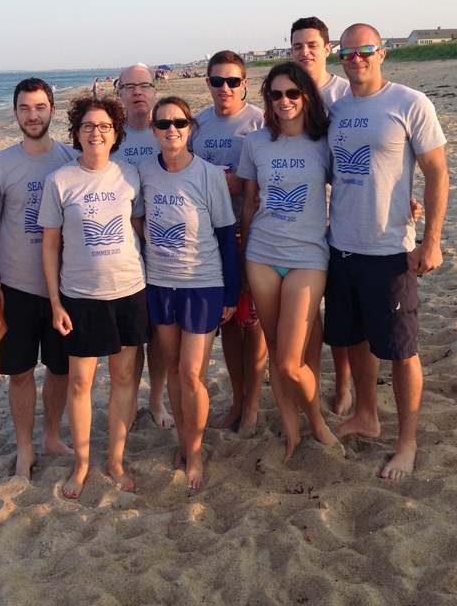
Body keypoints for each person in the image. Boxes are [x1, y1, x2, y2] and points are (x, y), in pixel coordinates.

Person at [325, 23, 449, 480]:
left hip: (390, 250)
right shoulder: (335, 109)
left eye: (365, 51)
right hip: (341, 246)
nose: (356, 59)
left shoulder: (409, 102)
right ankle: (367, 416)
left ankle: (407, 444)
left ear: (381, 54)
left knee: (400, 351)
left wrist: (431, 239)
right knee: (356, 338)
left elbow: (437, 172)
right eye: (348, 52)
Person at [40, 93, 147, 499]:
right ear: (77, 133)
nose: (96, 133)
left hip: (129, 290)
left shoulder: (130, 174)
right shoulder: (60, 181)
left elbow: (140, 229)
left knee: (123, 378)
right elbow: (50, 246)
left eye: (104, 126)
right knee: (81, 383)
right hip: (80, 297)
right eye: (88, 126)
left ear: (116, 131)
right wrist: (55, 303)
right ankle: (82, 464)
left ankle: (115, 461)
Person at [238, 62, 343, 462]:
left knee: (287, 359)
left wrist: (404, 203)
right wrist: (243, 255)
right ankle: (292, 435)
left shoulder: (324, 141)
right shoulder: (256, 143)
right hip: (262, 256)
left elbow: (353, 184)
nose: (284, 101)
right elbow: (249, 203)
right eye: (276, 94)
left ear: (307, 97)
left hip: (308, 257)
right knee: (277, 352)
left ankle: (317, 423)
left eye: (292, 93)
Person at [140, 96, 240, 489]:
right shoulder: (145, 173)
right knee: (173, 370)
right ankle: (183, 441)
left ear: (190, 128)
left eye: (179, 123)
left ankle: (194, 452)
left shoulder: (209, 175)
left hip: (203, 284)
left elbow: (225, 237)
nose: (172, 130)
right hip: (160, 283)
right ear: (153, 130)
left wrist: (231, 293)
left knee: (191, 374)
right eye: (163, 124)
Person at [0, 78, 76, 480]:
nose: (33, 114)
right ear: (15, 113)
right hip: (16, 285)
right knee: (20, 372)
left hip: (64, 286)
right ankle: (25, 447)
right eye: (25, 108)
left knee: (61, 370)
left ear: (52, 110)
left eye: (40, 106)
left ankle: (52, 437)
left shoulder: (71, 161)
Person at [191, 50, 267, 431]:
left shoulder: (260, 122)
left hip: (251, 233)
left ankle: (252, 406)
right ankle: (237, 401)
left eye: (233, 81)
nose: (225, 88)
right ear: (207, 83)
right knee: (231, 324)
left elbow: (280, 174)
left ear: (244, 84)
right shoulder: (197, 125)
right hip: (212, 239)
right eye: (217, 81)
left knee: (253, 325)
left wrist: (241, 182)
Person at [290, 17, 353, 414]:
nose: (305, 52)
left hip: (345, 216)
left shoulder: (345, 93)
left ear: (326, 48)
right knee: (308, 311)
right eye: (298, 46)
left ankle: (343, 384)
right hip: (304, 220)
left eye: (312, 44)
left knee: (341, 312)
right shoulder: (288, 92)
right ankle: (307, 379)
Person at [112, 64, 173, 428]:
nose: (137, 92)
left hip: (165, 250)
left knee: (162, 337)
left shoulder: (169, 130)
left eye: (144, 85)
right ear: (118, 93)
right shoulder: (107, 136)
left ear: (155, 90)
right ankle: (130, 401)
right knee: (132, 338)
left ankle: (157, 400)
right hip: (123, 253)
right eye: (129, 86)